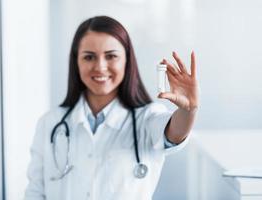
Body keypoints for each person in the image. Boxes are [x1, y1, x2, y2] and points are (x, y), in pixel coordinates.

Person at [24, 15, 199, 200]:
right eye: (89, 57)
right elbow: (35, 192)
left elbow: (174, 133)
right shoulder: (50, 123)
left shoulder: (147, 118)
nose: (100, 67)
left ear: (127, 61)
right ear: (76, 62)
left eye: (111, 56)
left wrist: (188, 110)